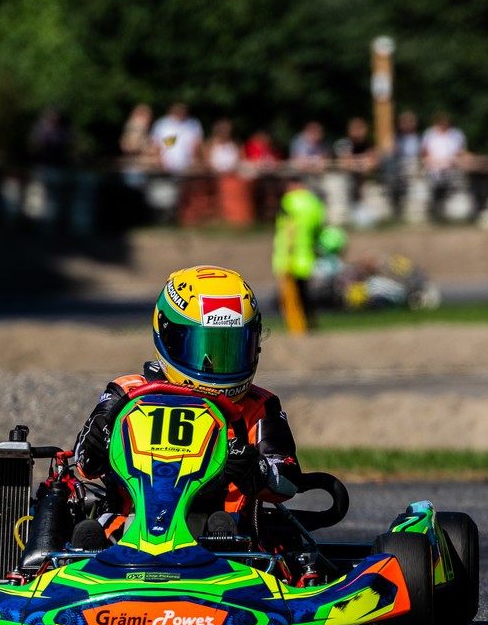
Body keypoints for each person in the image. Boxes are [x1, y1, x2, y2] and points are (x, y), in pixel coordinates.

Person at [66, 265, 302, 546]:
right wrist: (96, 444)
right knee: (86, 532)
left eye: (231, 349)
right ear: (169, 337)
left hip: (227, 539)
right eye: (205, 351)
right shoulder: (127, 394)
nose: (217, 365)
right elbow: (84, 465)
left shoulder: (259, 407)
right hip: (126, 530)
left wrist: (255, 471)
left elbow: (287, 479)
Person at [272, 178, 326, 332]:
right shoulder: (314, 203)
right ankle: (311, 323)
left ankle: (297, 328)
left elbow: (289, 228)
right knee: (305, 292)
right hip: (306, 255)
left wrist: (287, 254)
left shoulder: (289, 202)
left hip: (288, 255)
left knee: (291, 296)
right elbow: (318, 228)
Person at [150, 102, 205, 173]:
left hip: (188, 168)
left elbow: (199, 145)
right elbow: (155, 145)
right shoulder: (162, 124)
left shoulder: (193, 124)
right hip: (165, 168)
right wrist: (158, 161)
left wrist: (199, 161)